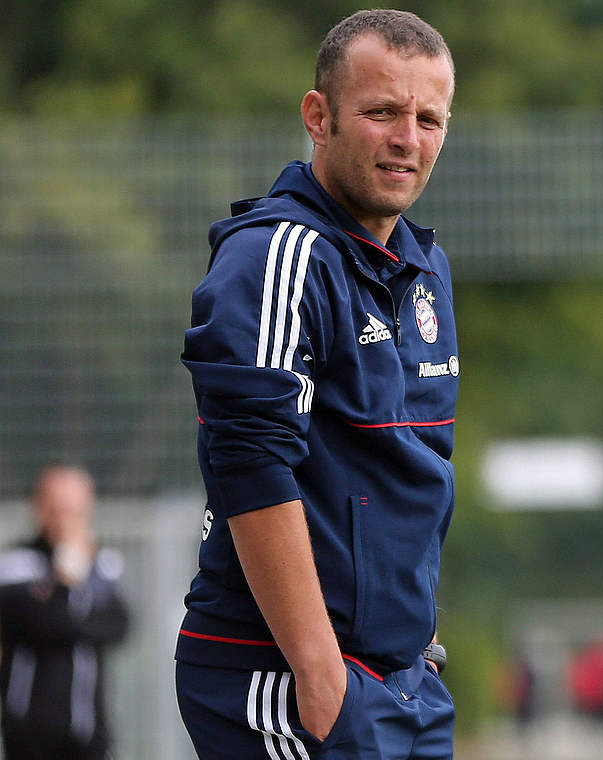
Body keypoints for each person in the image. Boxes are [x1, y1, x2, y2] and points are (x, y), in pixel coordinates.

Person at [174, 9, 460, 759]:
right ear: (318, 117)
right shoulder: (277, 256)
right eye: (382, 112)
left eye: (429, 118)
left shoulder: (426, 271)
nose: (408, 138)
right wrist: (320, 675)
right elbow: (251, 462)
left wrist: (421, 644)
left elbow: (414, 473)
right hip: (289, 677)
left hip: (405, 683)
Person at [0, 465, 130, 760]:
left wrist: (70, 617)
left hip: (90, 727)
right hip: (29, 732)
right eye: (59, 508)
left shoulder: (104, 565)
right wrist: (66, 574)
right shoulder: (17, 564)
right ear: (40, 507)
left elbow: (118, 625)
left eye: (75, 509)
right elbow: (46, 622)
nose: (68, 519)